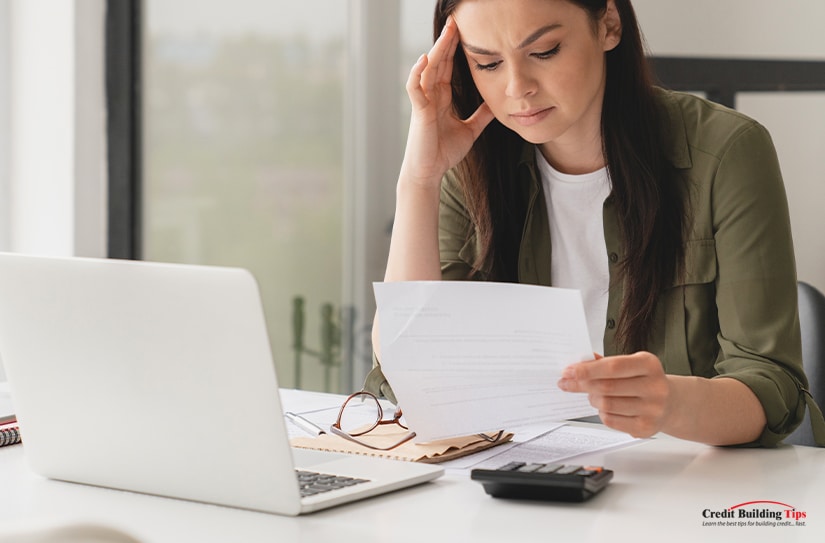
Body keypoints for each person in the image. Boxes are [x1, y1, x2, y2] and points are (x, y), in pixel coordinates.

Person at [365, 0, 824, 447]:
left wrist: (671, 403)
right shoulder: (471, 166)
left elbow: (773, 387)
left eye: (544, 52)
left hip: (686, 492)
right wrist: (419, 181)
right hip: (516, 484)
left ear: (608, 24)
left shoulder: (726, 153)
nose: (516, 87)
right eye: (487, 63)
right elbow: (407, 370)